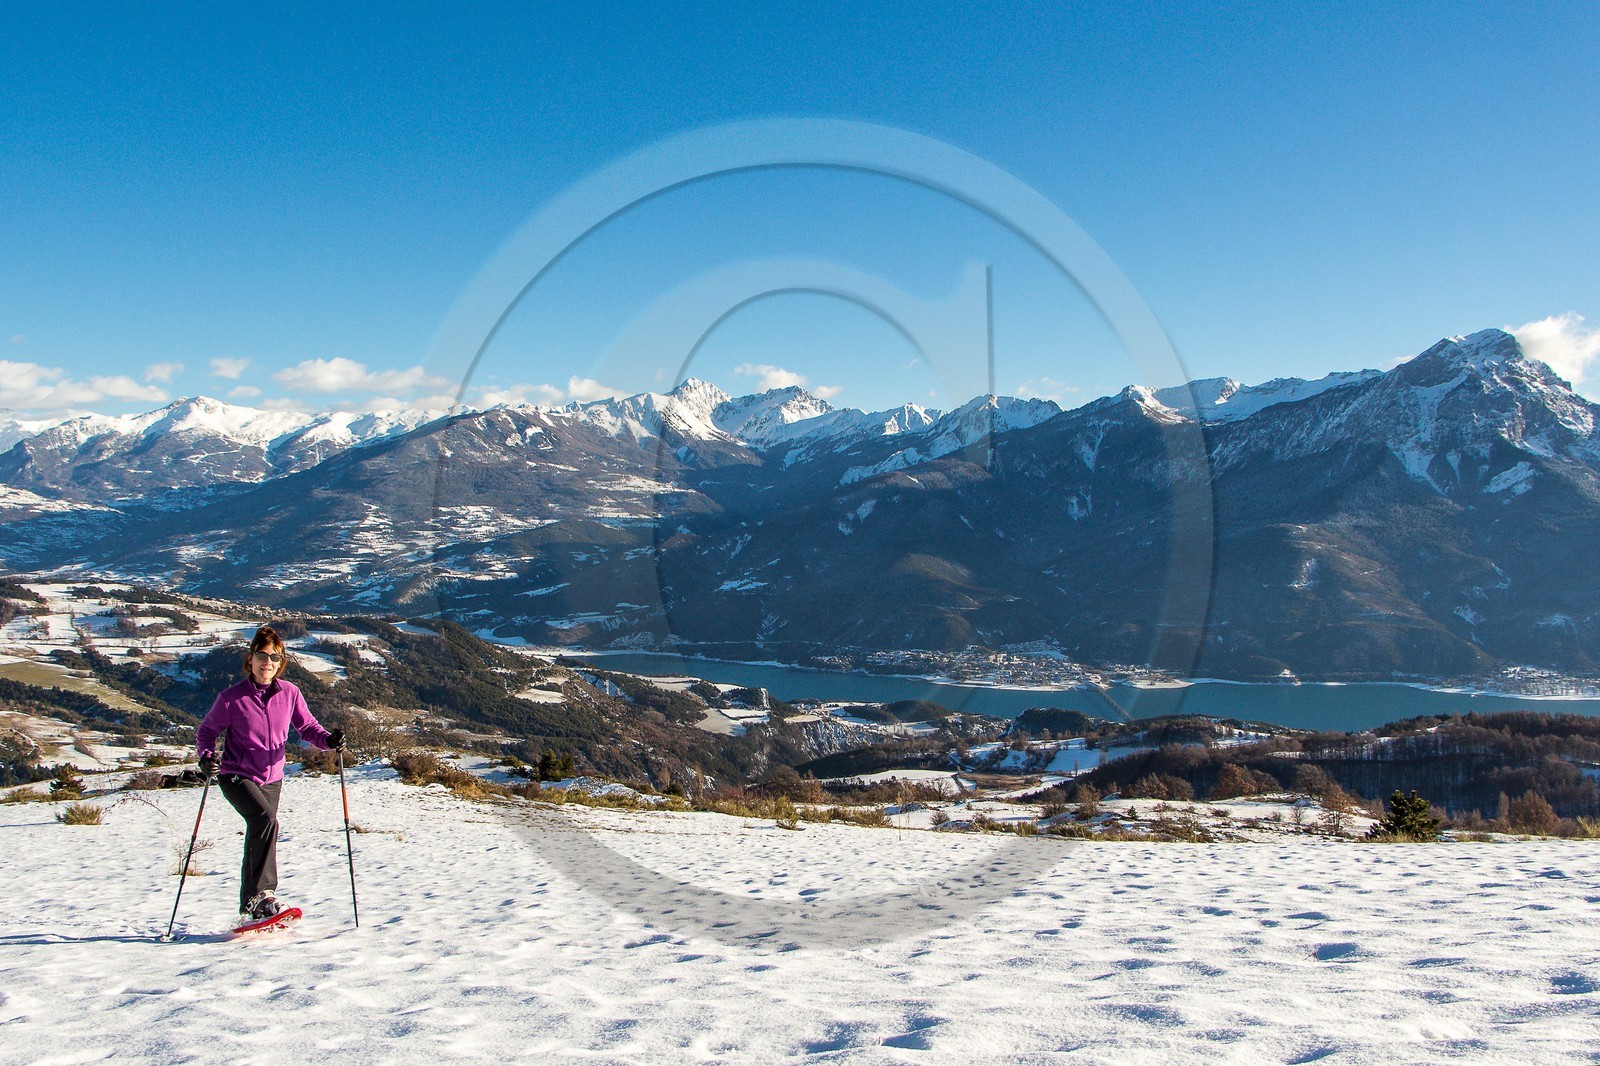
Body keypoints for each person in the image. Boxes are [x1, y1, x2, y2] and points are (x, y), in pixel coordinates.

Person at [195, 625, 343, 923]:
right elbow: (207, 732)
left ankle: (250, 905)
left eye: (274, 657)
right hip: (236, 775)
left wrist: (328, 740)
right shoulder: (231, 698)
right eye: (262, 656)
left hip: (272, 778)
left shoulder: (290, 693)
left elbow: (308, 728)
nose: (268, 663)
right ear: (250, 660)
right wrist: (206, 757)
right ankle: (264, 895)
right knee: (265, 822)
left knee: (261, 832)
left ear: (281, 663)